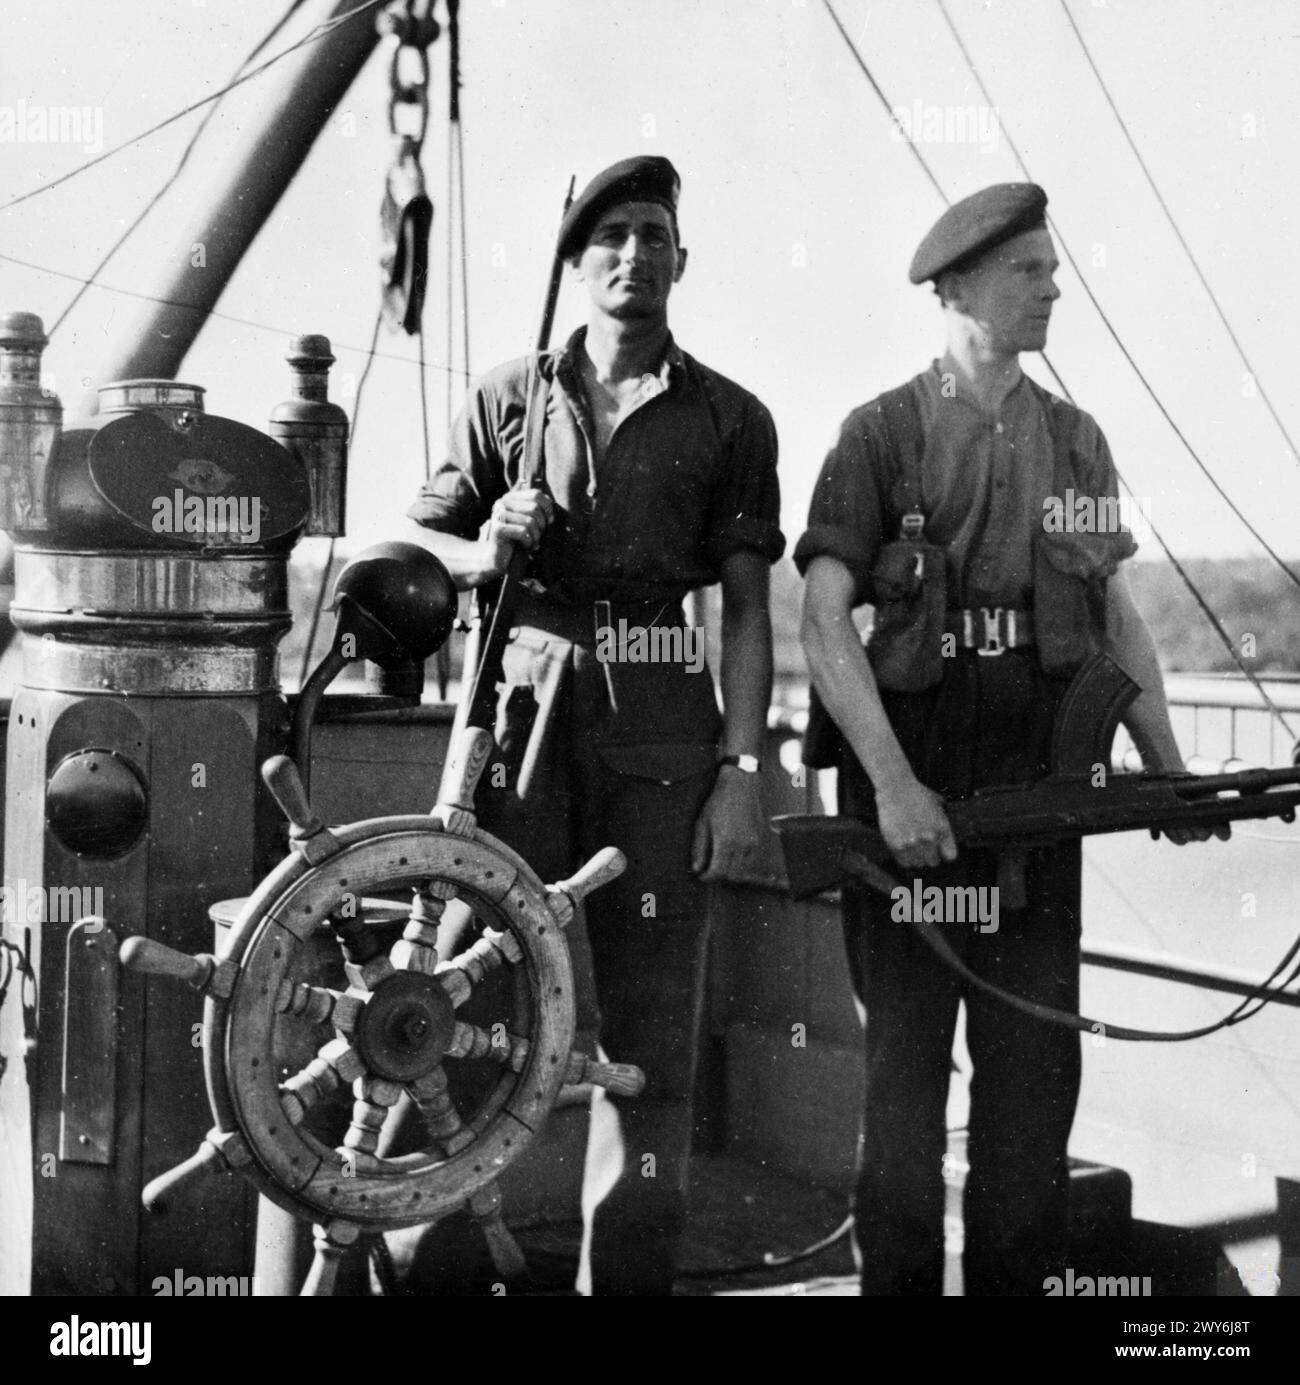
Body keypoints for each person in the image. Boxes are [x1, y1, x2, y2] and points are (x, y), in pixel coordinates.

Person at [796, 183, 1215, 1295]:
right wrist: (890, 788)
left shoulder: (1074, 442)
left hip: (1039, 795)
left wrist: (1165, 768)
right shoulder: (879, 435)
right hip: (917, 796)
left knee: (1031, 1083)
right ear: (958, 287)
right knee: (902, 1086)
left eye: (1048, 266)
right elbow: (820, 617)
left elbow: (1113, 617)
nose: (1052, 286)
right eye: (1028, 269)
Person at [405, 155, 784, 1294]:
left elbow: (750, 610)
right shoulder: (506, 396)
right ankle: (443, 1264)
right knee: (472, 991)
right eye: (611, 234)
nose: (635, 254)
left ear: (682, 258)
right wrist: (486, 543)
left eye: (656, 233)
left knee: (652, 1036)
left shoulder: (730, 417)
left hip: (665, 730)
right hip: (518, 725)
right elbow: (417, 548)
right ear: (574, 264)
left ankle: (625, 1276)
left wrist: (742, 768)